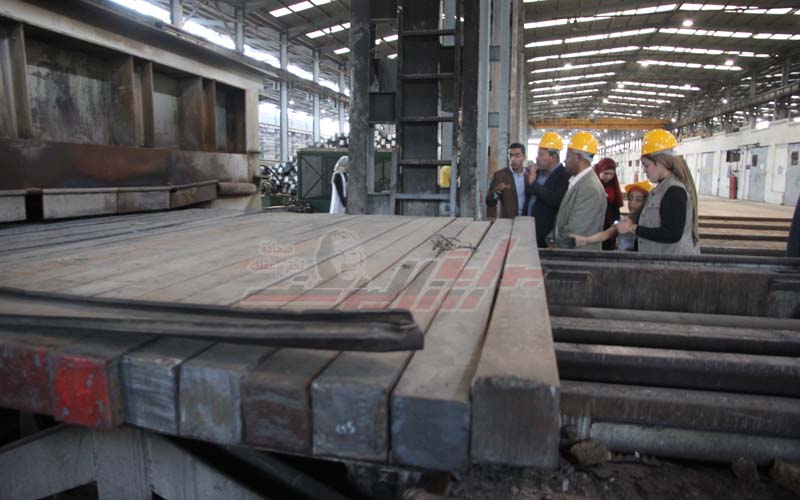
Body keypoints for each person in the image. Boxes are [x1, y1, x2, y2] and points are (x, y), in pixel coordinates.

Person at [617, 129, 700, 255]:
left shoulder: (674, 191)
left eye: (646, 165)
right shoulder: (662, 189)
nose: (644, 171)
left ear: (660, 162)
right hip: (662, 258)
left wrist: (633, 228)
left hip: (672, 261)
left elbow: (672, 234)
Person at [547, 131, 606, 249]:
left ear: (579, 157)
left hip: (578, 254)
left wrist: (556, 245)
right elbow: (562, 219)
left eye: (568, 156)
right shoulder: (578, 182)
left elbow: (575, 230)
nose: (565, 160)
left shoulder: (590, 188)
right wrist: (551, 238)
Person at [571, 180, 653, 251]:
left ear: (646, 202)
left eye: (638, 200)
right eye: (630, 199)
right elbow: (606, 234)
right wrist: (586, 240)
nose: (632, 203)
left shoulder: (650, 222)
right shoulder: (623, 220)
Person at [524, 131, 571, 248]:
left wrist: (534, 184)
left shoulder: (564, 176)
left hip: (546, 235)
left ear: (553, 157)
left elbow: (556, 200)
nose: (537, 158)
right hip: (528, 229)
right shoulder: (538, 173)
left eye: (541, 154)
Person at [486, 143, 527, 218]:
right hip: (508, 220)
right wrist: (497, 191)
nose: (513, 159)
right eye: (510, 155)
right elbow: (489, 202)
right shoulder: (500, 175)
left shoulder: (530, 175)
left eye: (517, 156)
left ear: (524, 157)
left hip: (527, 219)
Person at [593, 158, 624, 250]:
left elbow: (616, 208)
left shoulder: (613, 187)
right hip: (595, 226)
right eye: (606, 173)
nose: (609, 177)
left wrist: (615, 226)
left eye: (611, 174)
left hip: (609, 226)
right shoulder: (593, 186)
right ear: (599, 171)